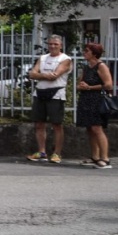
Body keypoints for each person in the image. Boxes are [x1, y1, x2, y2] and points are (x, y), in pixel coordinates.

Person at [26, 35, 72, 164]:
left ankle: (57, 153)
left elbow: (55, 75)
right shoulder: (43, 58)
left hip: (56, 93)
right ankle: (42, 151)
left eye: (55, 44)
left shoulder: (65, 59)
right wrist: (44, 75)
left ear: (61, 46)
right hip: (40, 92)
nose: (52, 46)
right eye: (50, 44)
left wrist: (39, 75)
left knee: (56, 124)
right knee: (39, 123)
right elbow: (31, 74)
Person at [75, 42, 114, 169]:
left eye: (87, 51)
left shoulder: (101, 66)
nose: (84, 53)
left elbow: (108, 85)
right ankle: (95, 156)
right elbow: (79, 83)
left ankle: (105, 158)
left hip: (96, 99)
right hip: (85, 99)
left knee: (97, 128)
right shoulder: (86, 67)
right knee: (89, 129)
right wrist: (80, 86)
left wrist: (90, 87)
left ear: (94, 53)